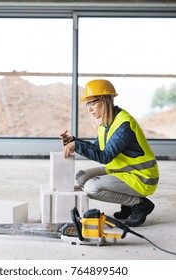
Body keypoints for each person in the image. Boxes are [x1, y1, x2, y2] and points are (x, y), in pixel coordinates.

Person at [62, 79, 159, 227]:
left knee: (91, 187)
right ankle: (126, 203)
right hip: (122, 171)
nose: (89, 108)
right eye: (88, 104)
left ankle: (139, 204)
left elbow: (104, 156)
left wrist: (77, 146)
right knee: (81, 177)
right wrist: (74, 140)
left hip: (141, 176)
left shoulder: (123, 125)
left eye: (93, 103)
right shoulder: (105, 125)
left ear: (106, 100)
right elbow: (97, 149)